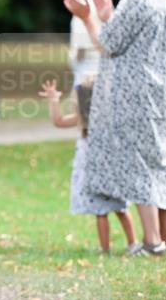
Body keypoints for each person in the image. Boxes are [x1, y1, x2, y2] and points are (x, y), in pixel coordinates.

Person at [63, 0, 166, 256]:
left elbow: (107, 44)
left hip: (135, 96)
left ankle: (152, 242)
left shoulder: (136, 0)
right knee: (160, 162)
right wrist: (108, 14)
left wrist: (87, 17)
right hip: (160, 94)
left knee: (140, 166)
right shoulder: (165, 0)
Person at [39, 77, 137, 253]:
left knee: (109, 211)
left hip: (107, 176)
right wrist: (53, 101)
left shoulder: (110, 121)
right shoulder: (89, 120)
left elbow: (59, 121)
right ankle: (125, 245)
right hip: (103, 177)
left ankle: (119, 246)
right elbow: (59, 121)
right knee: (116, 210)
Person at [68, 0, 111, 87]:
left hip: (86, 72)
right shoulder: (106, 4)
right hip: (105, 70)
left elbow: (80, 45)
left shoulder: (82, 7)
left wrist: (74, 62)